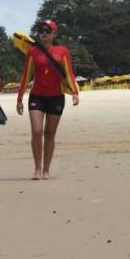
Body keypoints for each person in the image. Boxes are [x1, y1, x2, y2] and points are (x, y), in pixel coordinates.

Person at [16, 19, 80, 180]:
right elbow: (26, 75)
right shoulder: (33, 52)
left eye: (47, 30)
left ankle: (46, 170)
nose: (44, 33)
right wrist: (19, 98)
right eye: (41, 30)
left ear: (54, 33)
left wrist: (74, 92)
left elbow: (69, 72)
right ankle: (37, 168)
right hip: (37, 96)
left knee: (50, 133)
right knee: (37, 131)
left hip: (56, 97)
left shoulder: (62, 51)